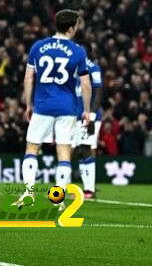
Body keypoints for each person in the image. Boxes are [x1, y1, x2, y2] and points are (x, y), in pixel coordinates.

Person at [16, 9, 91, 210]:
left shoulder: (37, 47)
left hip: (42, 106)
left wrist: (29, 105)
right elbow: (85, 84)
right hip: (67, 108)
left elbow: (28, 78)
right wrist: (86, 109)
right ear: (70, 27)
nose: (77, 29)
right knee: (64, 153)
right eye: (76, 25)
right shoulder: (78, 51)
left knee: (32, 149)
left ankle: (28, 192)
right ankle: (57, 199)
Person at [72, 40, 103, 200]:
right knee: (79, 151)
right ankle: (86, 189)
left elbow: (98, 92)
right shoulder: (76, 70)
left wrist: (90, 116)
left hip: (89, 116)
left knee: (85, 148)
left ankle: (90, 190)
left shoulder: (93, 68)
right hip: (77, 115)